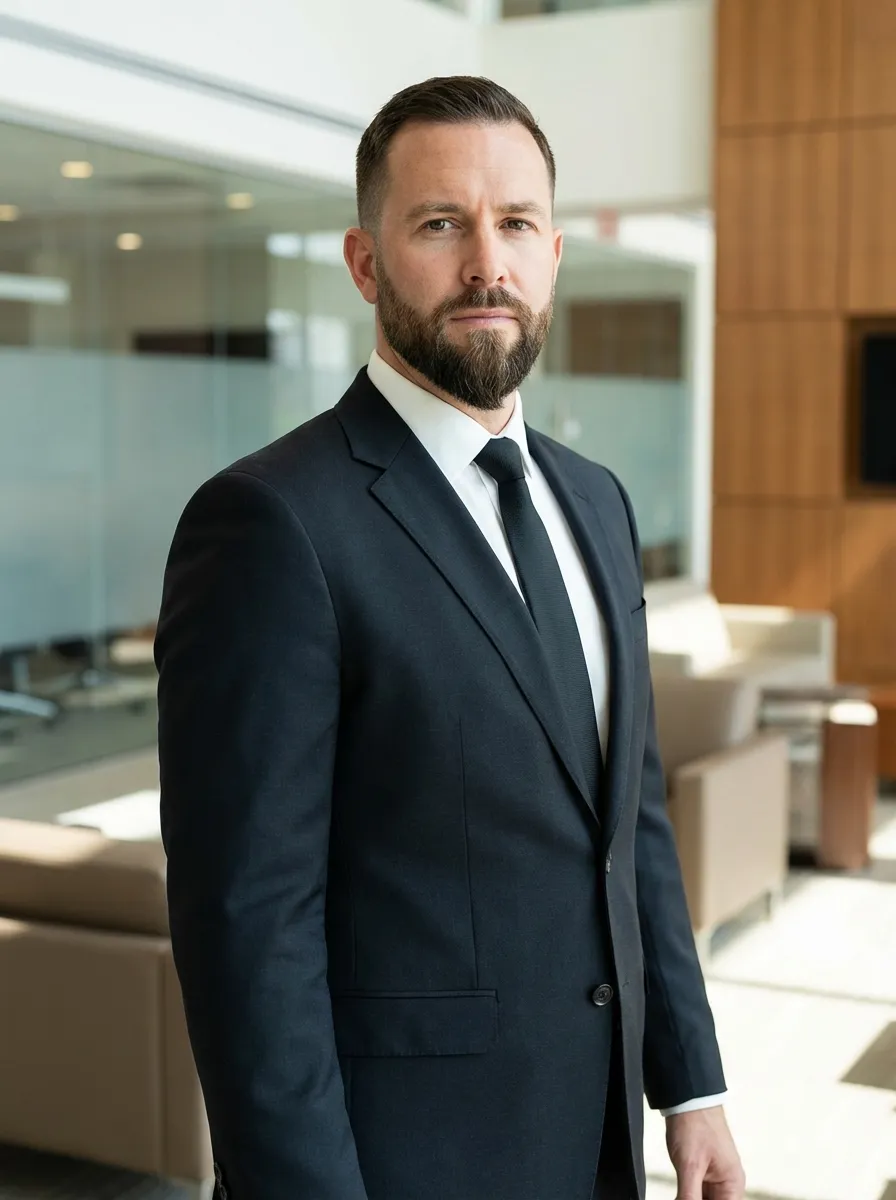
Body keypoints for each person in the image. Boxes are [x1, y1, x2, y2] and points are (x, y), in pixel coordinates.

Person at [155, 76, 746, 1200]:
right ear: (365, 263)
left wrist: (692, 1085)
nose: (487, 262)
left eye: (515, 223)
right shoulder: (271, 524)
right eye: (440, 224)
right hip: (401, 1163)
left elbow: (633, 825)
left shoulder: (598, 503)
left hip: (597, 1142)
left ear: (555, 254)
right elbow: (248, 930)